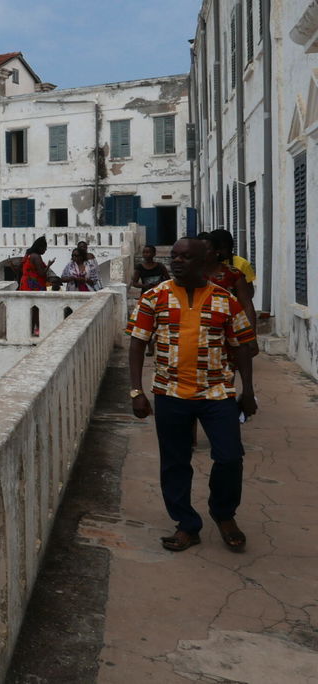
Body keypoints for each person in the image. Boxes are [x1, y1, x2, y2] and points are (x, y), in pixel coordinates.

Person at [126, 236, 257, 553]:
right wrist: (136, 391)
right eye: (175, 256)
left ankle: (223, 513)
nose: (178, 261)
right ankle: (186, 524)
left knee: (229, 457)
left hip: (217, 393)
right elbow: (137, 343)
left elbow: (242, 348)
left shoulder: (225, 300)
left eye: (186, 257)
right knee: (175, 462)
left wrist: (248, 391)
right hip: (170, 393)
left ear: (204, 262)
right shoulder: (153, 298)